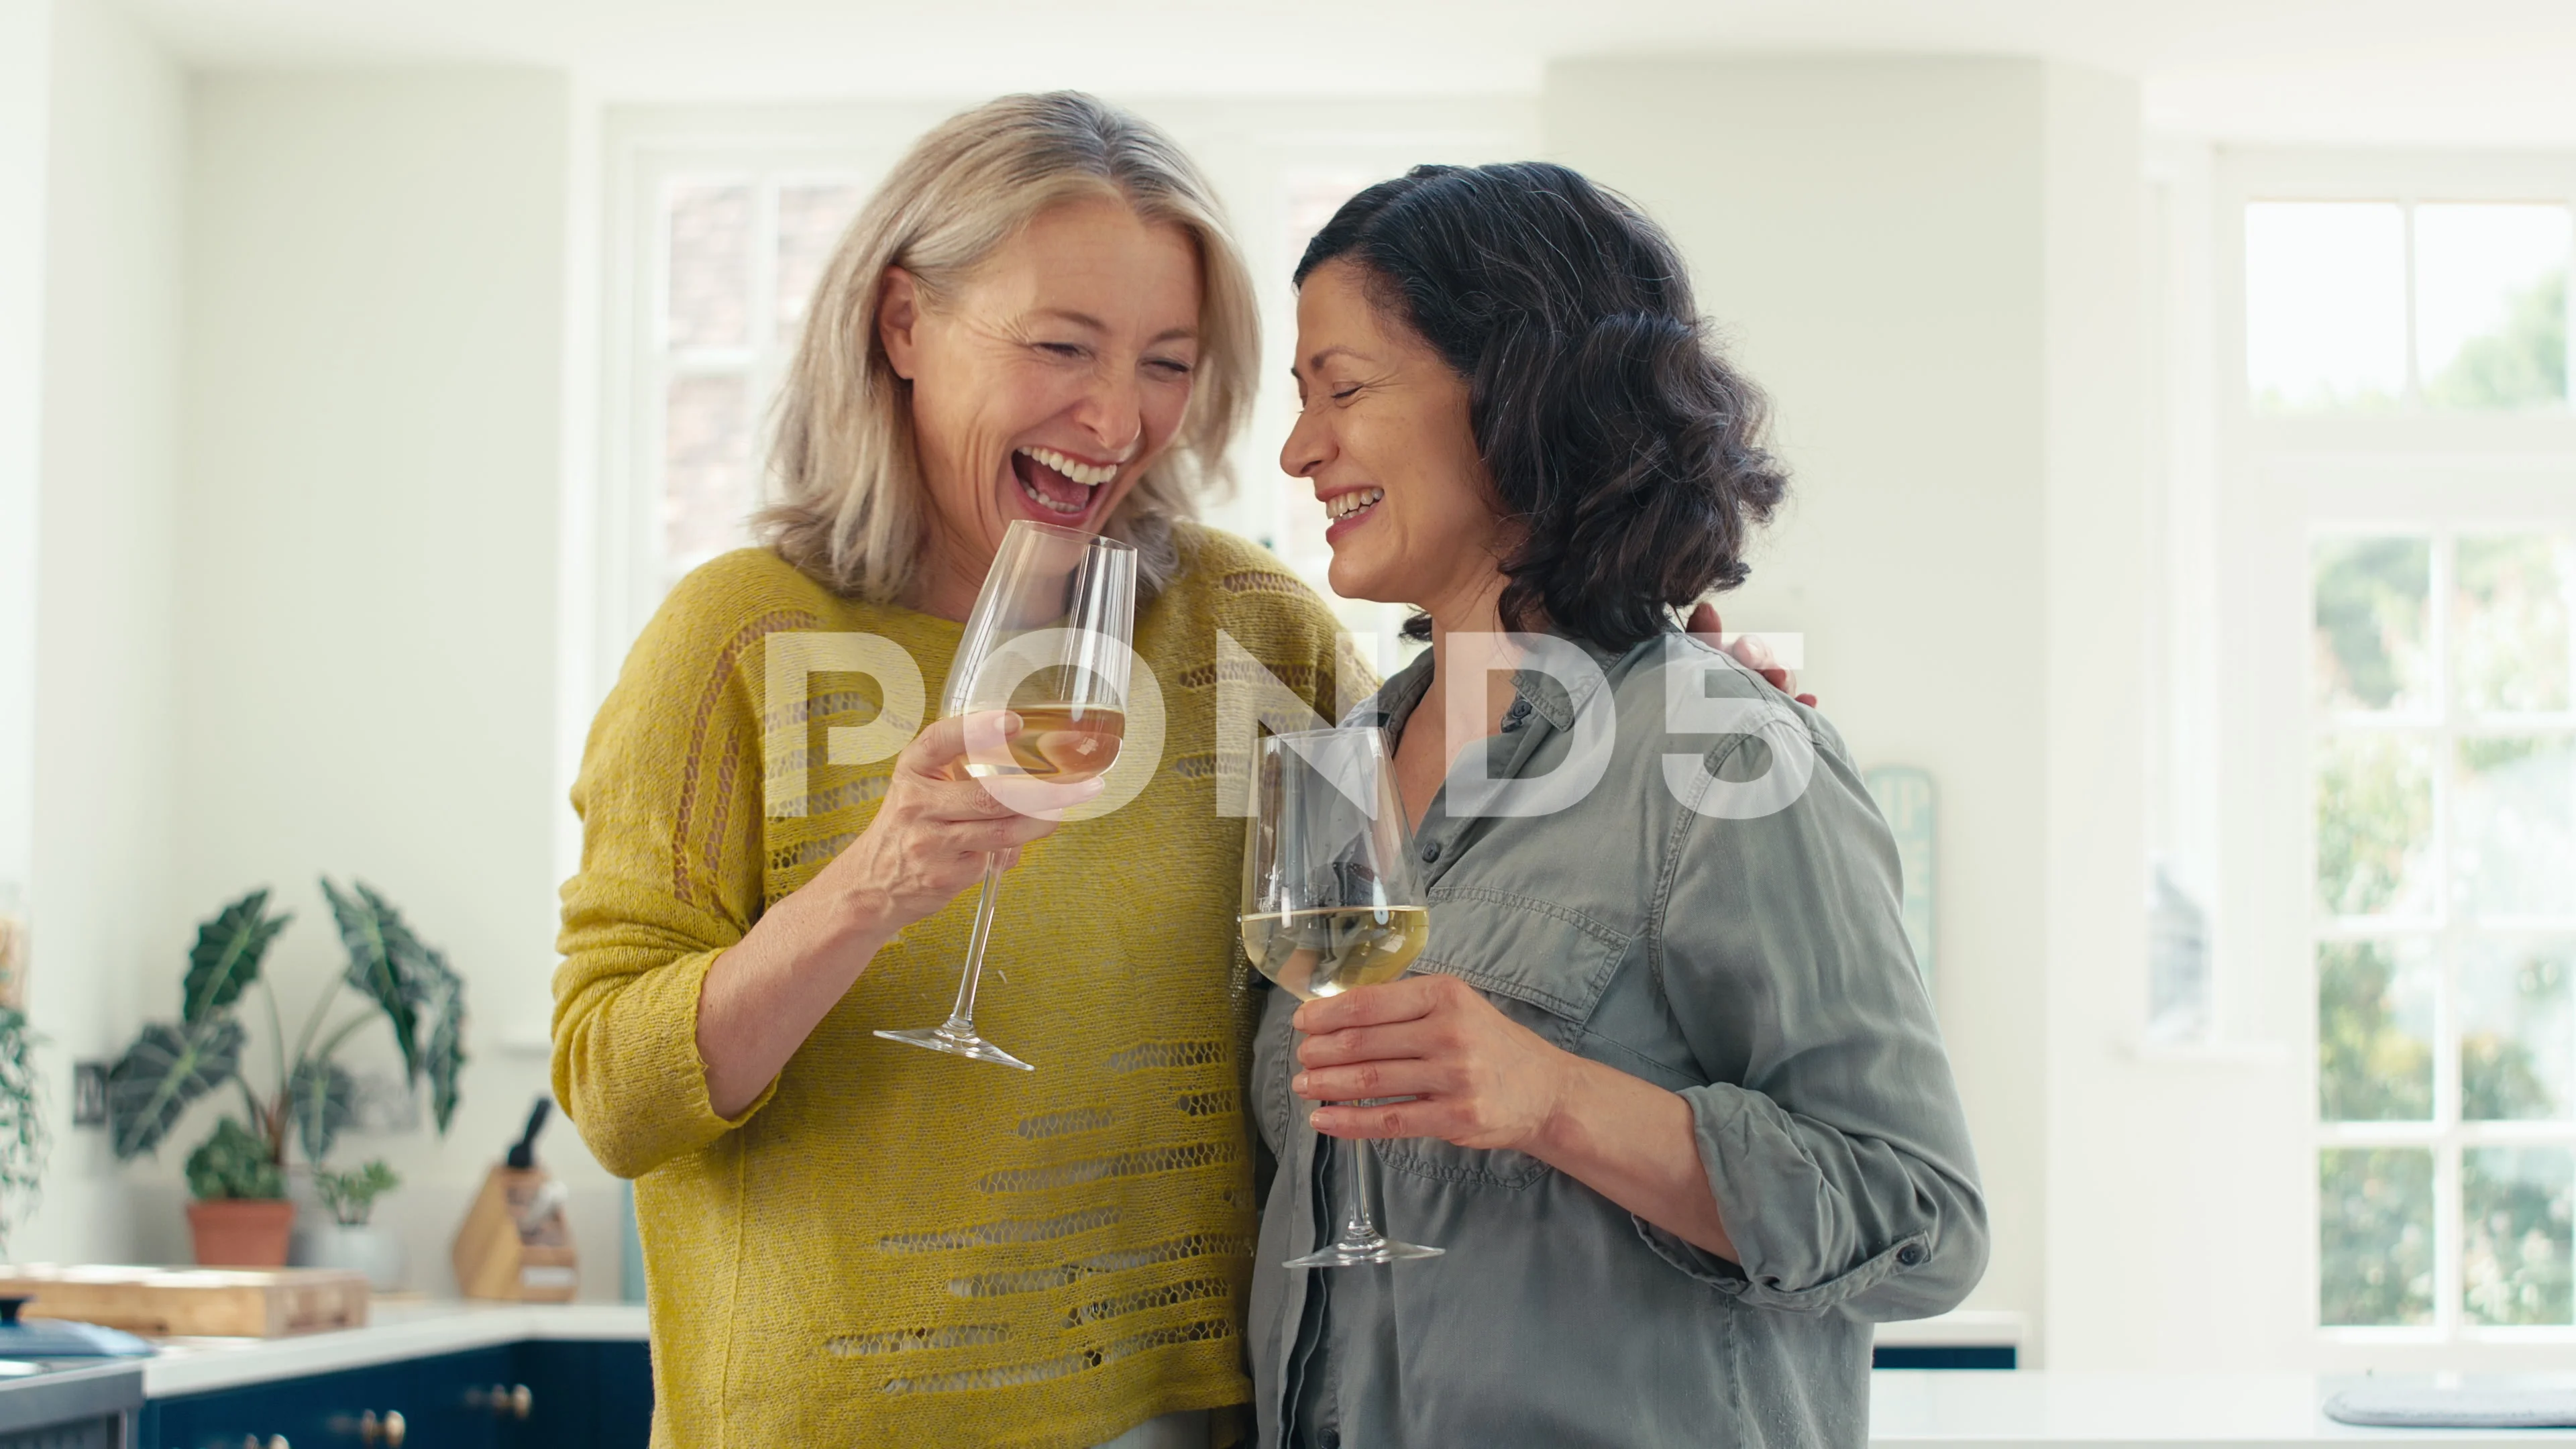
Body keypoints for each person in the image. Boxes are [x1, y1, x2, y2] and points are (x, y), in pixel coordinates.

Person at [551, 93, 1351, 1448]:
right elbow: (618, 1097)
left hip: (1181, 1413)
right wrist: (869, 888)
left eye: (1168, 359)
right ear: (903, 322)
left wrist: (1664, 678)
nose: (1117, 417)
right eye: (1060, 345)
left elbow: (1454, 857)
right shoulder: (737, 638)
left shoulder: (1248, 627)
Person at [1248, 162, 1986, 1448]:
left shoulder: (1726, 752)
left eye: (1345, 389)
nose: (1299, 449)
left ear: (1517, 393)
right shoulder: (1340, 767)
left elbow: (1922, 1223)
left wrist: (1553, 1100)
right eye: (1300, 399)